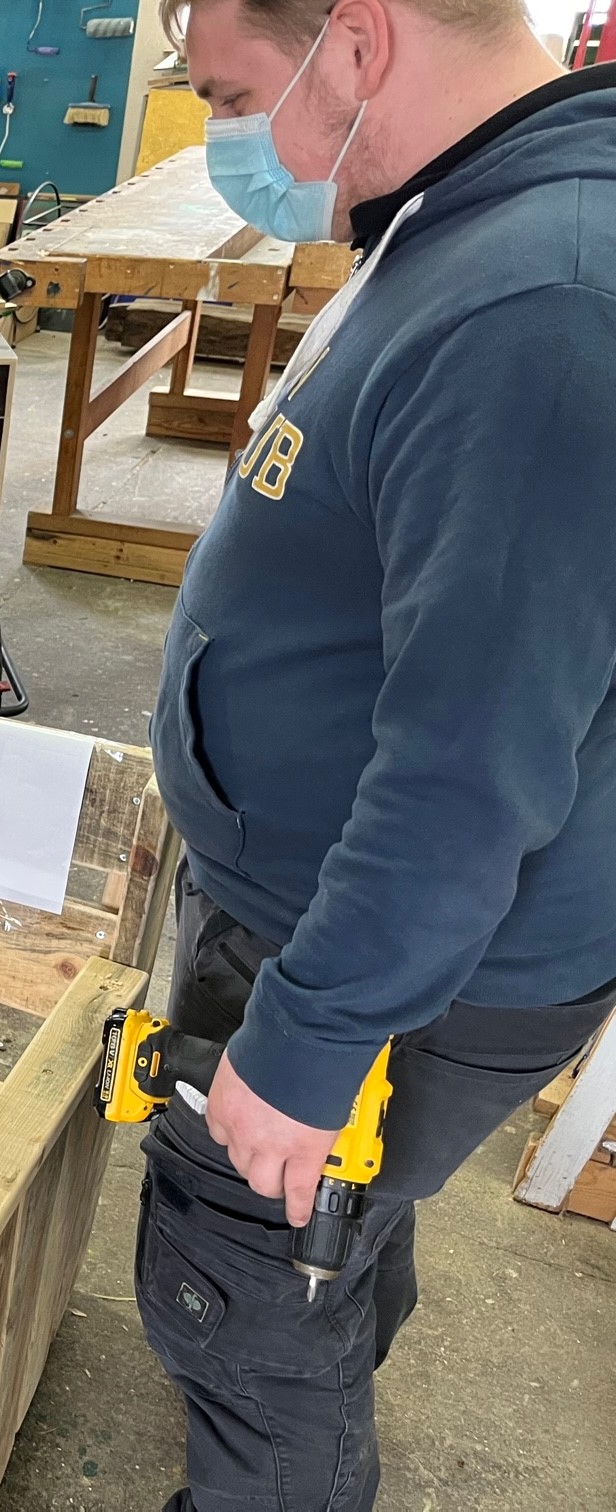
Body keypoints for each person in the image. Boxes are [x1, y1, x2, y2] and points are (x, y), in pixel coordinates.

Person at [142, 0, 616, 1506]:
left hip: (370, 948)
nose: (226, 139)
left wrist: (312, 1038)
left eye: (231, 95)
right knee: (322, 1253)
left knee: (245, 1285)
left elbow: (468, 767)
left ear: (355, 43)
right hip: (362, 923)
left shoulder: (542, 307)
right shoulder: (474, 213)